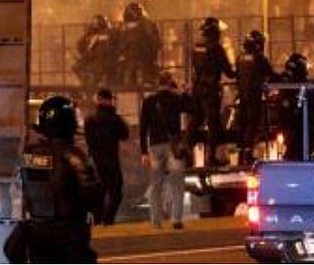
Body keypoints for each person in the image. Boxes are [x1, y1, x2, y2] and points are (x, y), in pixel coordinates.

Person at [4, 96, 102, 263]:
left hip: (38, 236)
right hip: (70, 238)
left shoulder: (28, 156)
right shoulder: (73, 156)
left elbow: (19, 194)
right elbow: (94, 195)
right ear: (69, 124)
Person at [139, 72, 190, 229]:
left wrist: (143, 152)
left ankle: (156, 221)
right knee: (177, 182)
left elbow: (143, 128)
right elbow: (193, 109)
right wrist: (185, 93)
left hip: (154, 146)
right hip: (172, 145)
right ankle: (176, 219)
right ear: (170, 83)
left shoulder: (148, 101)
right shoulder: (176, 99)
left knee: (155, 185)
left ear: (157, 83)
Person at [190, 17, 236, 166]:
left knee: (196, 120)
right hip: (210, 92)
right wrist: (240, 70)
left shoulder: (197, 46)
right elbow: (229, 72)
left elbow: (194, 66)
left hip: (197, 89)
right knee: (213, 124)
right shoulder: (216, 48)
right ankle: (211, 157)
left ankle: (184, 148)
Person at [83, 88, 129, 226]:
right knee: (115, 191)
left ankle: (97, 219)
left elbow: (89, 140)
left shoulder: (89, 120)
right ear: (109, 100)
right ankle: (108, 220)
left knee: (99, 191)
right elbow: (125, 135)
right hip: (111, 159)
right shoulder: (114, 119)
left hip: (95, 160)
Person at [234, 30, 274, 163]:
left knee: (242, 125)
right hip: (253, 97)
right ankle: (248, 153)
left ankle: (240, 154)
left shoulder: (239, 58)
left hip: (241, 96)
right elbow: (271, 75)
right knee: (252, 125)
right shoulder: (260, 58)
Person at [118, 2, 161, 87]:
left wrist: (151, 54)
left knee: (140, 78)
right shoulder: (124, 26)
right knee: (128, 79)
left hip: (142, 56)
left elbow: (154, 41)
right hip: (129, 57)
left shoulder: (146, 24)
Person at [73, 15, 119, 87]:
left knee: (95, 70)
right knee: (77, 67)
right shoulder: (90, 34)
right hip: (93, 59)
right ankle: (89, 82)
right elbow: (81, 46)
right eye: (94, 23)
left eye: (96, 23)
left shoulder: (111, 32)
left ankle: (94, 82)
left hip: (105, 60)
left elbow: (113, 46)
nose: (95, 25)